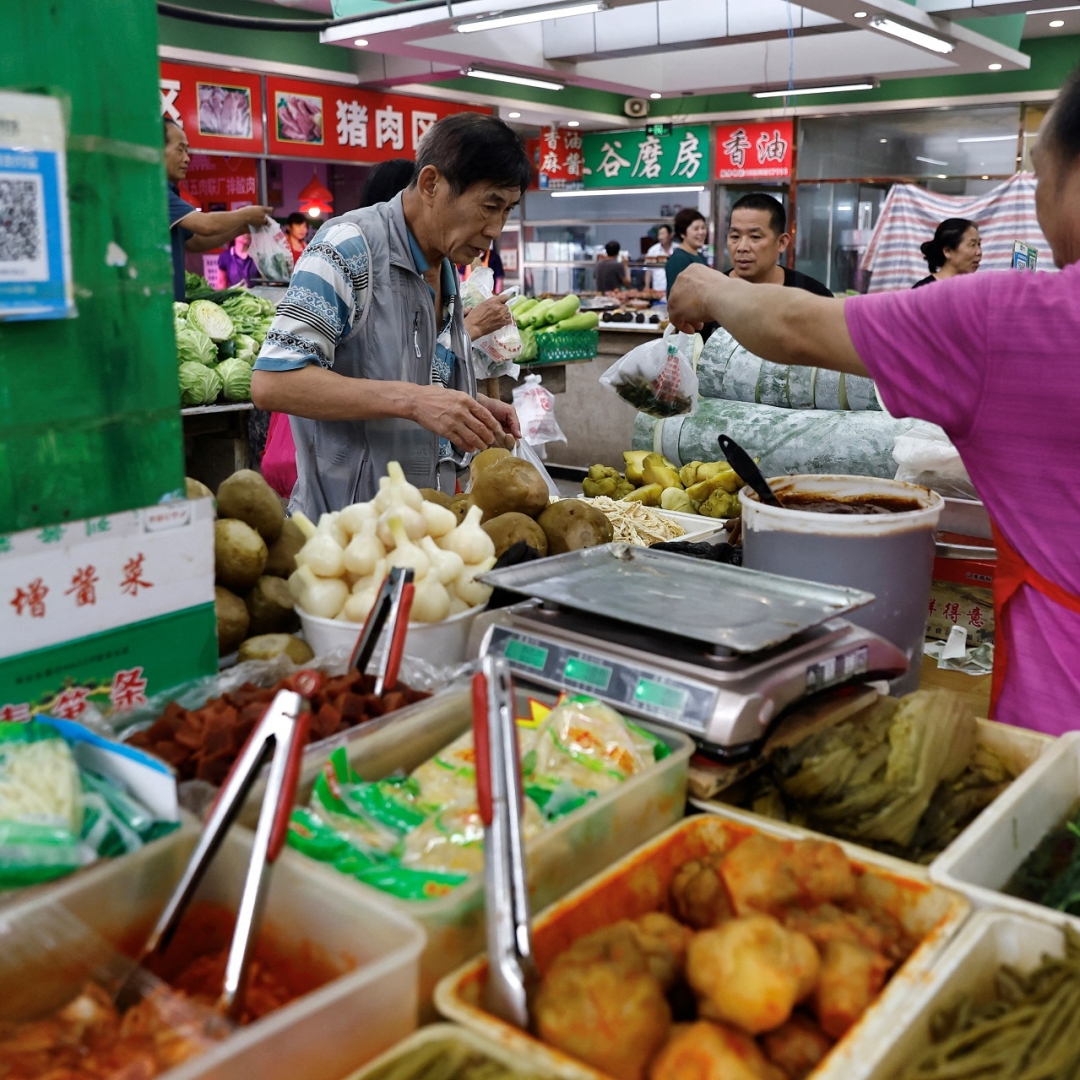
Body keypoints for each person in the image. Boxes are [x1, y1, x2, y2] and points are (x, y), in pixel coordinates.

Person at [666, 64, 1080, 738]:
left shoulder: (1014, 319)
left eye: (1041, 176)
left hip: (1063, 729)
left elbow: (798, 327)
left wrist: (706, 287)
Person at [250, 113, 528, 516]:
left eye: (508, 210)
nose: (495, 229)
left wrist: (469, 407)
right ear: (432, 183)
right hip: (344, 533)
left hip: (422, 526)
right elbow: (273, 383)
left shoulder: (444, 264)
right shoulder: (347, 247)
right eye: (490, 206)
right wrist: (414, 401)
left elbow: (418, 377)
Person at [164, 119, 272, 301]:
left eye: (187, 150)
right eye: (180, 149)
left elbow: (195, 242)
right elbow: (206, 225)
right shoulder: (155, 192)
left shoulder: (168, 193)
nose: (187, 158)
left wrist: (242, 228)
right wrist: (246, 214)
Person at [726, 193, 832, 296]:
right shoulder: (713, 294)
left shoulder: (812, 293)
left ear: (781, 242)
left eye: (755, 237)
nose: (742, 247)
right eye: (735, 237)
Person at [913, 218, 982, 287]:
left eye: (979, 244)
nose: (979, 252)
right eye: (972, 245)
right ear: (948, 251)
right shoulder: (923, 290)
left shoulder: (978, 288)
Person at [663, 208, 709, 296]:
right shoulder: (678, 259)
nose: (701, 232)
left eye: (703, 228)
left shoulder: (700, 255)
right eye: (696, 229)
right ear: (682, 233)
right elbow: (675, 297)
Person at [645, 223, 675, 292]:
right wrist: (646, 286)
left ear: (670, 235)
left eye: (663, 234)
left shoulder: (677, 249)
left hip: (675, 289)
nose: (660, 237)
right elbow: (648, 270)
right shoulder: (653, 250)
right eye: (659, 234)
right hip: (658, 289)